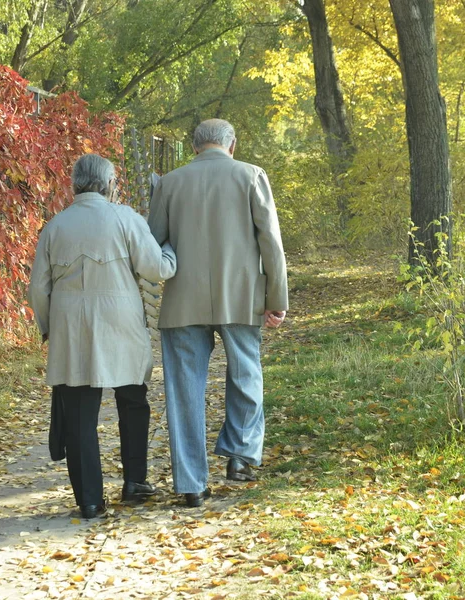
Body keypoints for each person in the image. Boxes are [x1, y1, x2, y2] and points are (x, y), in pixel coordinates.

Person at [148, 118, 288, 508]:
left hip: (182, 300)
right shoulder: (251, 176)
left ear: (194, 147)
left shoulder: (170, 183)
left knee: (184, 389)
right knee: (246, 372)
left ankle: (191, 483)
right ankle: (241, 455)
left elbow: (152, 242)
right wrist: (276, 296)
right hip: (242, 296)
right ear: (232, 144)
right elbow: (271, 242)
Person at [28, 153, 177, 519]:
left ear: (74, 185)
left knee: (79, 415)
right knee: (132, 400)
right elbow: (156, 269)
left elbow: (37, 289)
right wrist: (171, 251)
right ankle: (134, 482)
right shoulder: (125, 218)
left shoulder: (55, 226)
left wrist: (49, 328)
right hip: (120, 323)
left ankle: (90, 501)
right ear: (110, 184)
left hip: (70, 327)